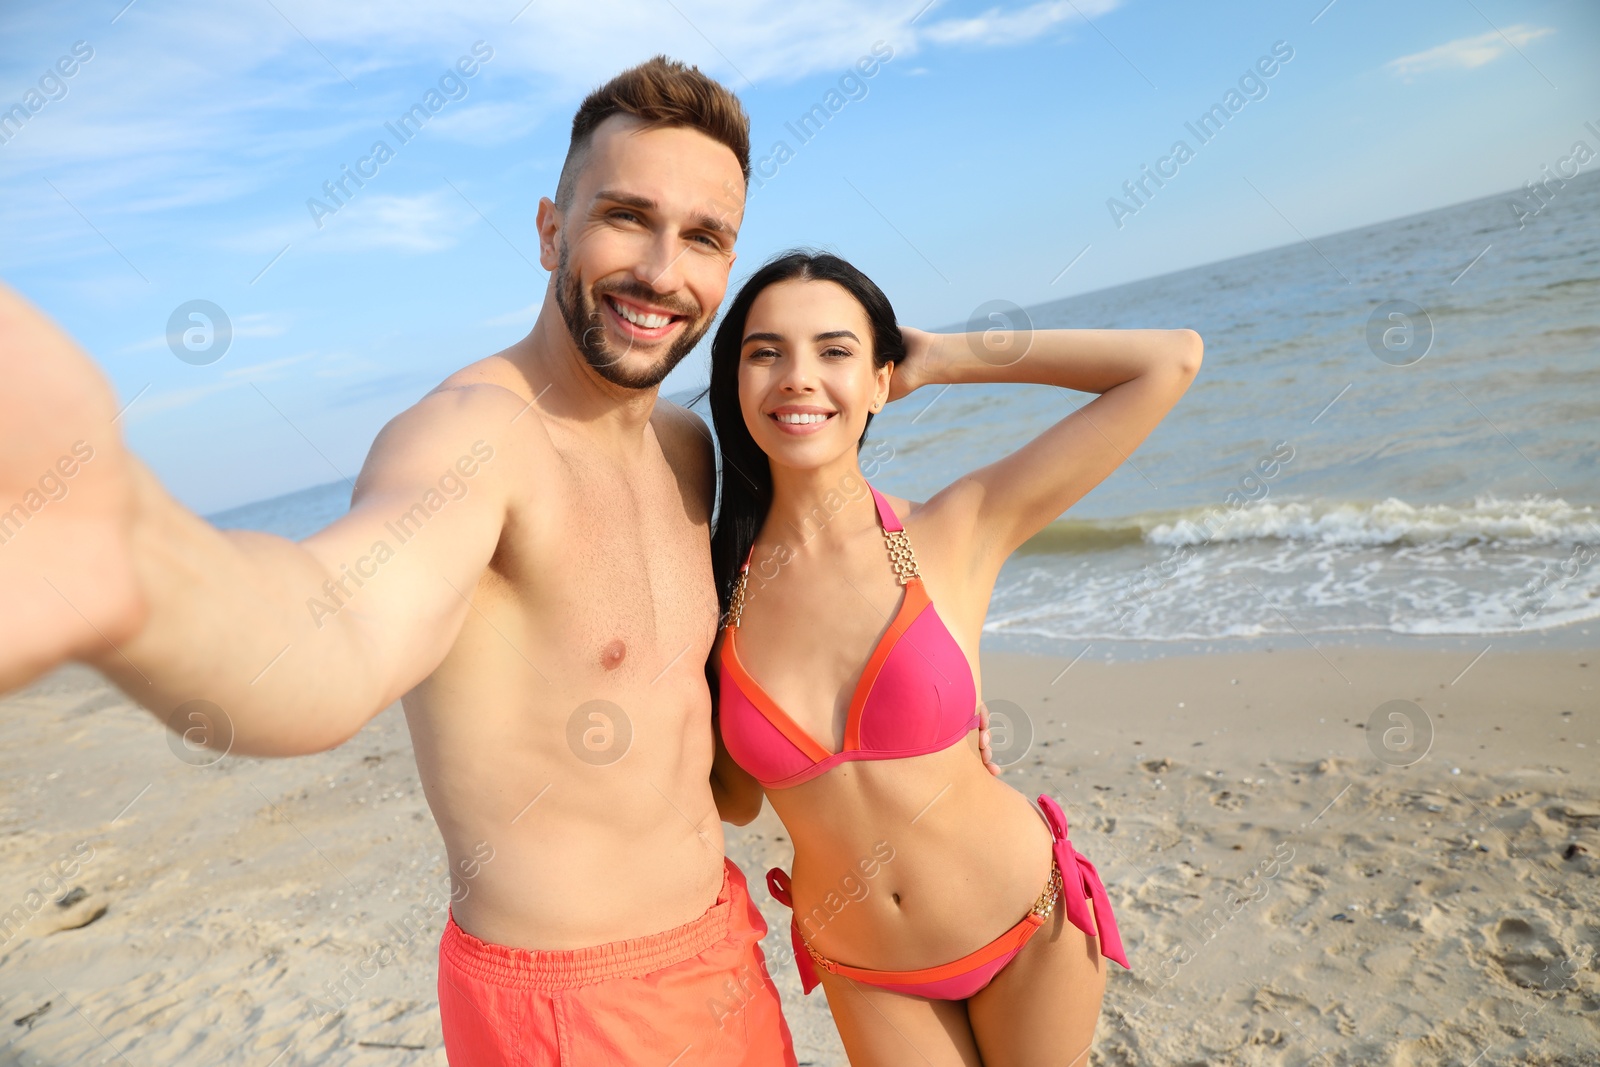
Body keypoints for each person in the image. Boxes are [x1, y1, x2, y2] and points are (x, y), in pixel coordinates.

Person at [0, 58, 800, 1067]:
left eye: (701, 236)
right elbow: (335, 625)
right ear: (552, 228)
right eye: (625, 216)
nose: (659, 267)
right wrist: (124, 559)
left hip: (722, 948)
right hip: (571, 1011)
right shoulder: (472, 440)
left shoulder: (686, 445)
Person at [705, 251, 1202, 1066]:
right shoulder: (716, 594)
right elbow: (733, 800)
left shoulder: (953, 530)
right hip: (866, 969)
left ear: (877, 381)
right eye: (766, 352)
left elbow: (1168, 359)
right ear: (734, 382)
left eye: (835, 351)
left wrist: (937, 359)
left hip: (1027, 924)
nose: (797, 377)